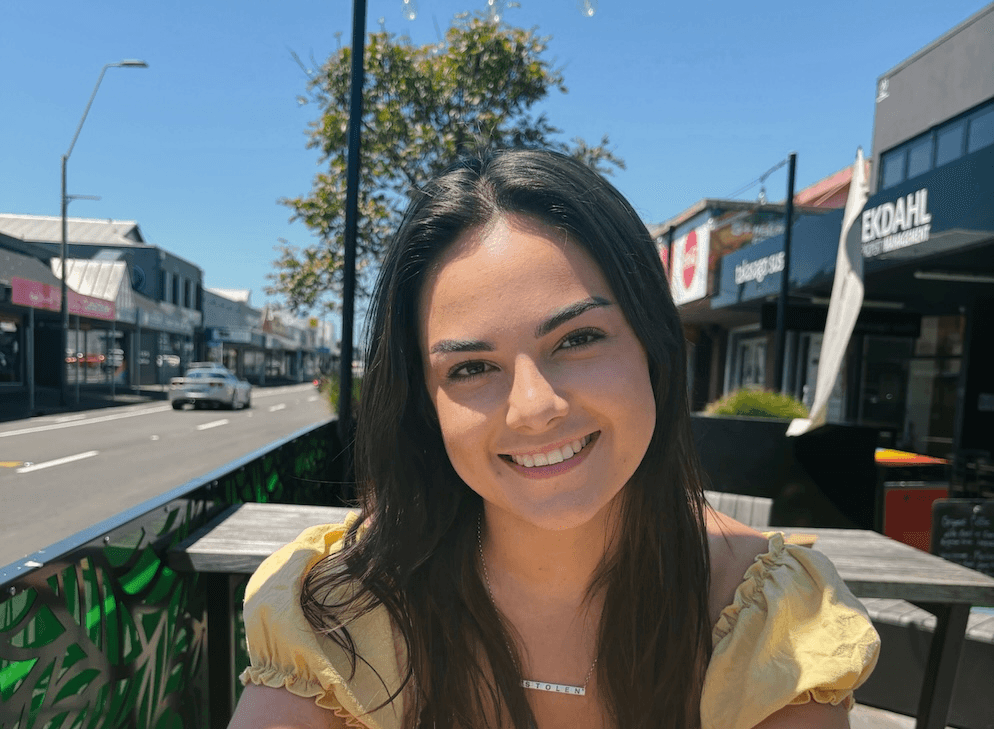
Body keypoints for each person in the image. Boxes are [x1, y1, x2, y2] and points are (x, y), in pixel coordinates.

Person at [229, 149, 880, 729]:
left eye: (577, 339)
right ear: (426, 408)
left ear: (653, 347)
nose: (535, 407)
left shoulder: (769, 621)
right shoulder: (340, 609)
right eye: (471, 368)